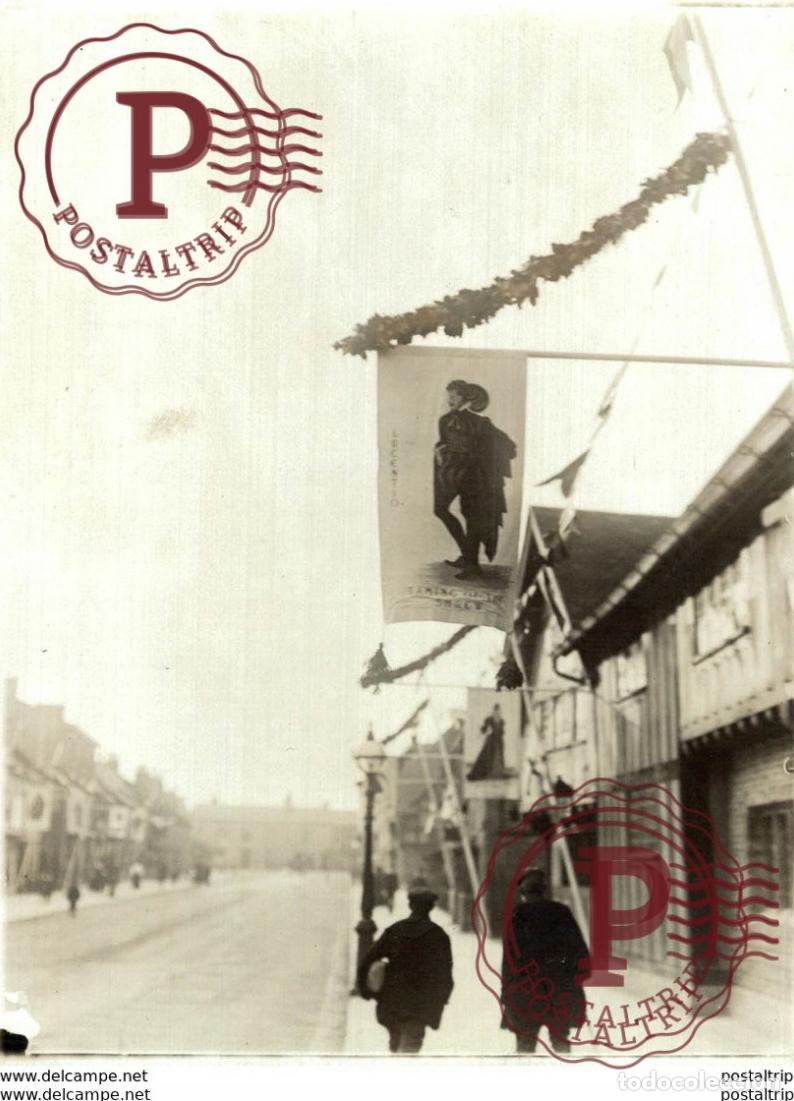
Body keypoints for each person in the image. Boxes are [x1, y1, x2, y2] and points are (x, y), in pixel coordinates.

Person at [357, 878, 454, 1054]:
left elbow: (366, 961)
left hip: (391, 1003)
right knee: (409, 1050)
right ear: (431, 907)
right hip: (419, 1007)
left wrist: (366, 991)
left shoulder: (395, 930)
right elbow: (446, 977)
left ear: (410, 905)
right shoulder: (439, 936)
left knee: (396, 1045)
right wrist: (440, 1001)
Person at [433, 380, 516, 581]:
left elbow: (509, 447)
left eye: (454, 395)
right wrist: (439, 449)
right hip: (450, 473)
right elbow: (444, 442)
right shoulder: (444, 420)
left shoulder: (481, 423)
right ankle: (468, 555)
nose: (449, 399)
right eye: (449, 395)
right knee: (440, 510)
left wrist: (480, 458)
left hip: (473, 477)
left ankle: (473, 566)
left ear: (466, 397)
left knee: (472, 517)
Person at [501, 867, 590, 1054]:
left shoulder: (517, 915)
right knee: (561, 1041)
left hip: (525, 992)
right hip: (558, 991)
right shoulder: (561, 912)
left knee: (525, 1044)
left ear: (523, 892)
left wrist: (506, 993)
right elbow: (580, 952)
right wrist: (576, 978)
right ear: (544, 889)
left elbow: (509, 960)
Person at [467, 702, 514, 781]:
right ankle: (485, 773)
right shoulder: (489, 719)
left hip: (499, 742)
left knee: (498, 758)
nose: (498, 712)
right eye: (496, 710)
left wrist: (500, 733)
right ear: (494, 710)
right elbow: (483, 729)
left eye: (499, 711)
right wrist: (486, 730)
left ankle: (497, 774)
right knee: (487, 757)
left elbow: (502, 732)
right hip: (491, 742)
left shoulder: (502, 721)